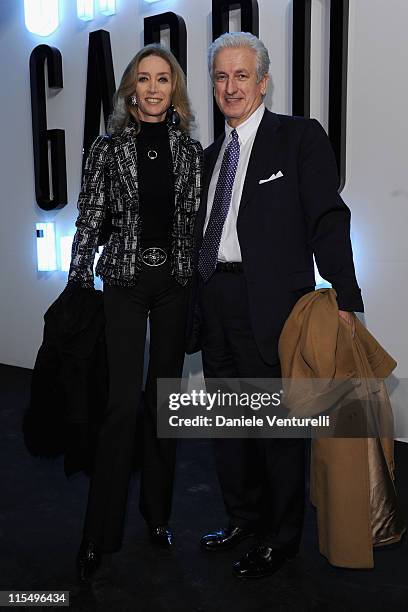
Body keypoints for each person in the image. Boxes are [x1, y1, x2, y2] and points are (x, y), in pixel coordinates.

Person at [187, 32, 364, 579]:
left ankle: (281, 538)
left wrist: (344, 293)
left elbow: (327, 217)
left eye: (242, 75)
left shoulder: (299, 138)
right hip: (213, 298)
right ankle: (243, 518)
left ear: (263, 82)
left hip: (270, 307)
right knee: (228, 425)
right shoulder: (209, 155)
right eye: (221, 77)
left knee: (277, 430)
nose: (230, 86)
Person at [67, 44, 203, 582]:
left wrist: (197, 287)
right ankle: (99, 532)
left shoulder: (189, 152)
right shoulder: (106, 147)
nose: (152, 88)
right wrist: (79, 283)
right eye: (143, 79)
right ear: (130, 88)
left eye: (163, 79)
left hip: (172, 285)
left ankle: (158, 515)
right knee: (122, 405)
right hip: (122, 282)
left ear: (175, 89)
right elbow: (89, 217)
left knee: (163, 404)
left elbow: (192, 228)